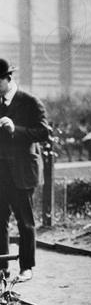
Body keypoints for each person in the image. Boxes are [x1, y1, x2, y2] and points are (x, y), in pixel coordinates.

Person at [0, 59, 50, 283]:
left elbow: (43, 132)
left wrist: (15, 129)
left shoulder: (29, 102)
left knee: (25, 221)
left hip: (22, 171)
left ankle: (26, 267)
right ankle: (2, 269)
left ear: (8, 79)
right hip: (1, 172)